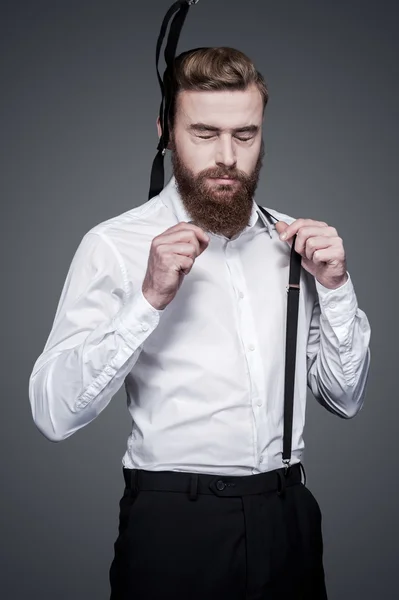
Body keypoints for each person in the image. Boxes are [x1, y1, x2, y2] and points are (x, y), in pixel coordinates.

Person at [29, 46, 371, 599]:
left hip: (288, 519)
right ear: (166, 131)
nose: (227, 157)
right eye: (205, 133)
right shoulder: (115, 244)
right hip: (173, 529)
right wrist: (147, 299)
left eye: (245, 134)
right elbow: (51, 412)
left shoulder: (297, 243)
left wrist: (335, 290)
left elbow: (346, 398)